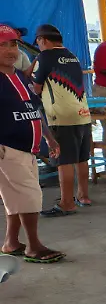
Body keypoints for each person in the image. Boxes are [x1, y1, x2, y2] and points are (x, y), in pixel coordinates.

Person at [0, 24, 64, 263]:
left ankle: (11, 242)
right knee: (29, 195)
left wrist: (48, 136)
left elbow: (34, 108)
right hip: (7, 149)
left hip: (28, 149)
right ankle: (34, 246)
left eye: (13, 44)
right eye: (2, 45)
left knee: (16, 197)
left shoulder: (17, 75)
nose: (10, 50)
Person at [30, 25, 93, 216]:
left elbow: (36, 88)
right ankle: (83, 196)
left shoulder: (44, 57)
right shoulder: (72, 56)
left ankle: (67, 203)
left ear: (43, 40)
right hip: (83, 113)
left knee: (64, 160)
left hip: (61, 115)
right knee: (81, 158)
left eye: (39, 42)